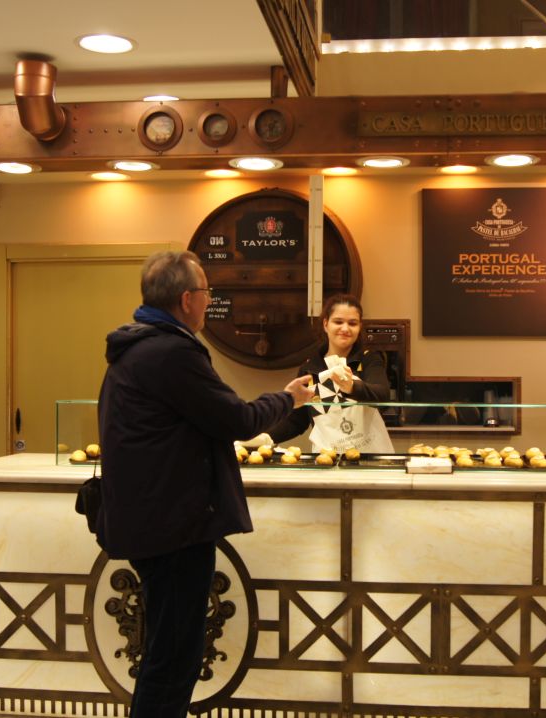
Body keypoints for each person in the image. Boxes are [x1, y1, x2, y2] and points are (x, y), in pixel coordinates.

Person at [96, 250, 315, 717]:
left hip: (152, 521)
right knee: (174, 658)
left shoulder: (137, 347)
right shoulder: (171, 352)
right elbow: (236, 419)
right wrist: (288, 398)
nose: (210, 300)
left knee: (166, 651)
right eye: (207, 292)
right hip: (173, 527)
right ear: (187, 299)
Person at [253, 294, 393, 453]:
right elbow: (296, 421)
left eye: (352, 323)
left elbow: (383, 396)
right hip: (326, 458)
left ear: (360, 327)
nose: (345, 328)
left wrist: (352, 387)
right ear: (326, 324)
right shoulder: (309, 368)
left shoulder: (368, 359)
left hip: (369, 457)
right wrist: (264, 437)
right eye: (338, 322)